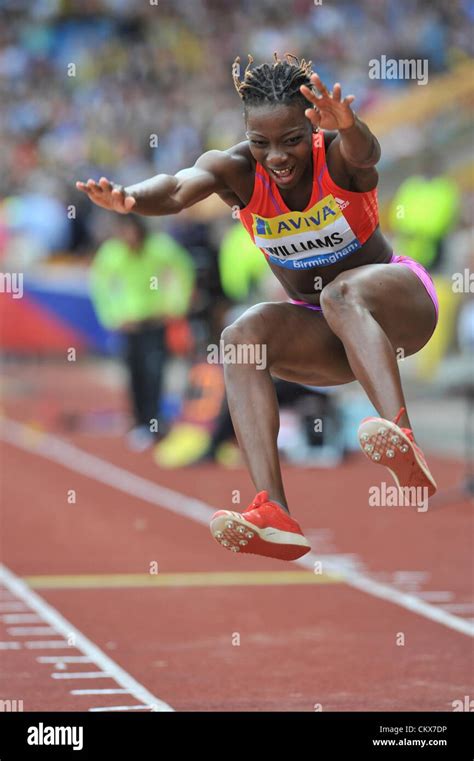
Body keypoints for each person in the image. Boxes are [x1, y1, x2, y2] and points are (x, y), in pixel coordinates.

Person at [77, 53, 438, 560]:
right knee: (239, 338)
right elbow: (178, 188)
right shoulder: (236, 171)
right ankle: (274, 511)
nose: (276, 157)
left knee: (341, 292)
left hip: (400, 308)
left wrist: (351, 125)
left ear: (311, 126)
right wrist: (131, 199)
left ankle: (399, 433)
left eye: (290, 140)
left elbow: (366, 154)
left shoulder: (336, 153)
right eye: (261, 142)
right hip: (331, 337)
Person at [90, 215, 195, 451]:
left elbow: (183, 269)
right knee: (134, 373)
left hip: (155, 320)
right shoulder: (111, 253)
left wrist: (176, 306)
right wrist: (113, 315)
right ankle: (139, 422)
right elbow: (100, 285)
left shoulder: (160, 247)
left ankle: (154, 422)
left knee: (155, 372)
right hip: (129, 325)